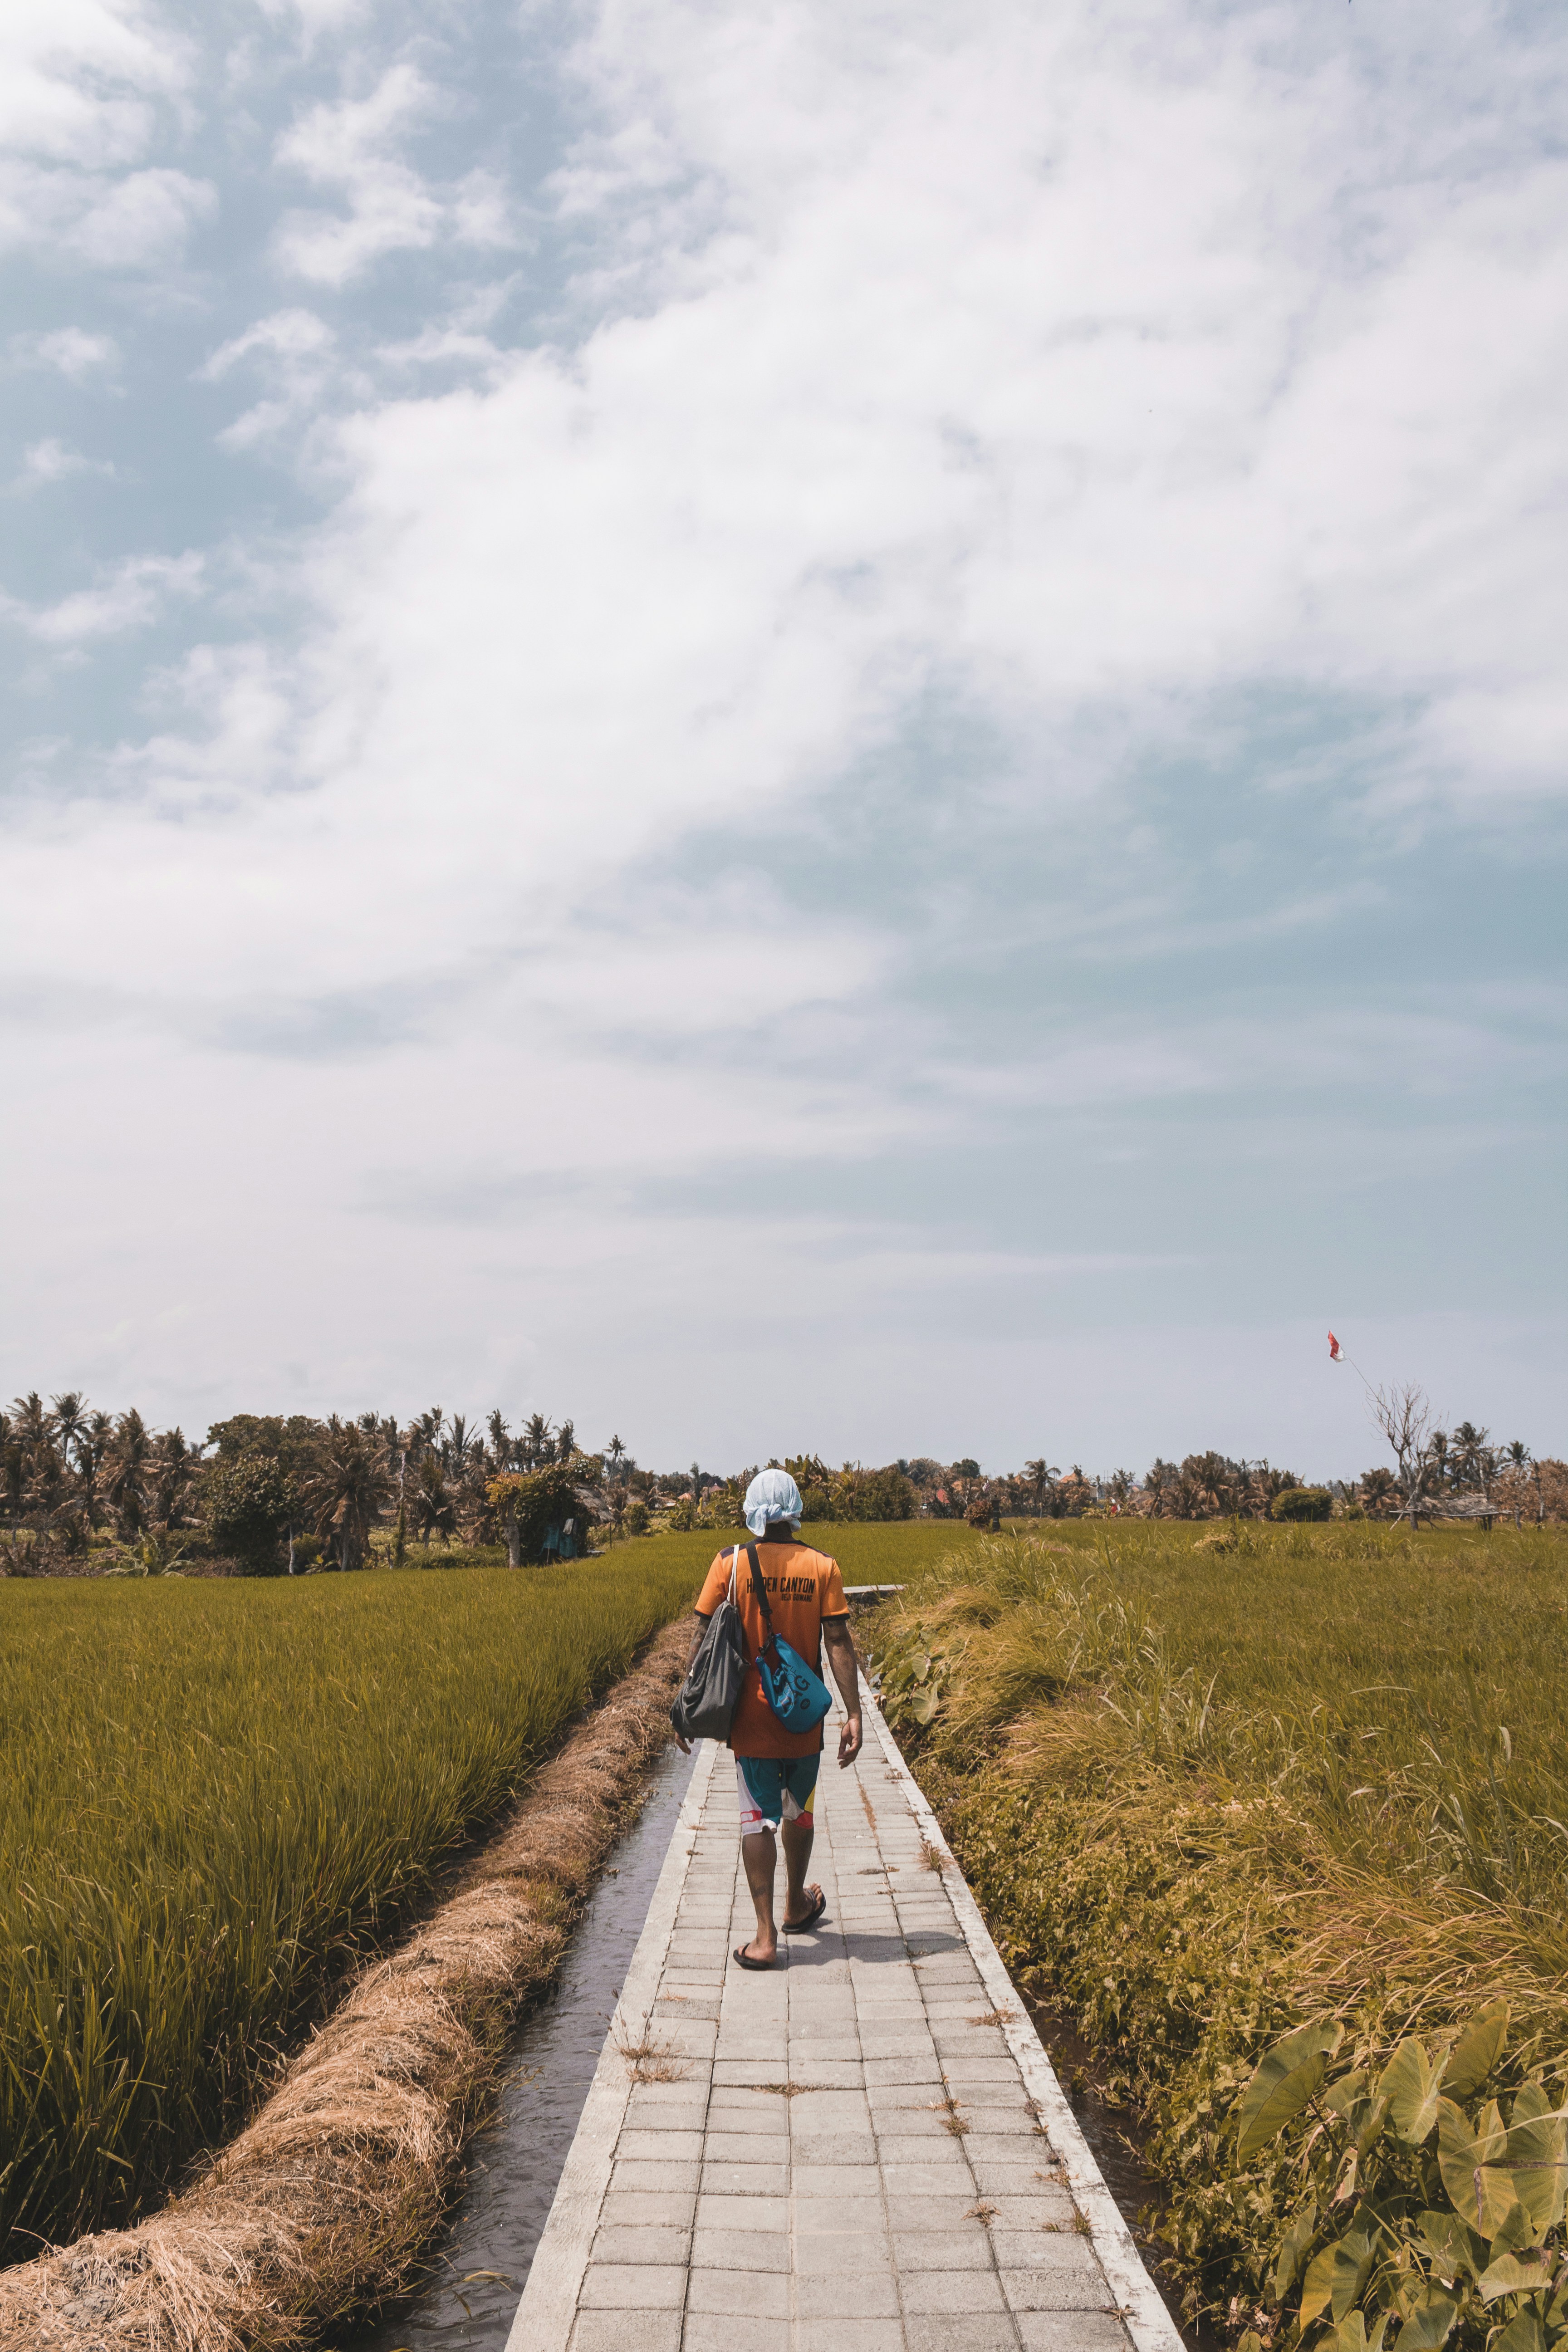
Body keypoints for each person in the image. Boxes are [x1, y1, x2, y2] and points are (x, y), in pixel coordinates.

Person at [675, 1467, 862, 1970]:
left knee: (756, 1820)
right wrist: (855, 1714)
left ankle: (764, 1939)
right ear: (795, 1508)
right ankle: (796, 1905)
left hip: (749, 1719)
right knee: (800, 1811)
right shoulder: (822, 1566)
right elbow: (839, 1643)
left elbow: (701, 1639)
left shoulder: (729, 1563)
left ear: (753, 1511)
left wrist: (684, 1707)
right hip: (803, 1717)